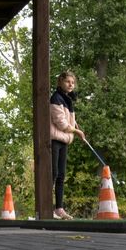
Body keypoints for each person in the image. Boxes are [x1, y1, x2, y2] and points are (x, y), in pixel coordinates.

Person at [50, 71, 85, 220]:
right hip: (55, 139)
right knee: (53, 174)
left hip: (64, 140)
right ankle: (47, 207)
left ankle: (59, 208)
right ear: (60, 82)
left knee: (61, 175)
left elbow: (69, 119)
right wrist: (77, 132)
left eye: (72, 82)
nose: (71, 84)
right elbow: (61, 123)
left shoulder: (68, 99)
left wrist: (76, 127)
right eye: (67, 82)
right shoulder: (56, 98)